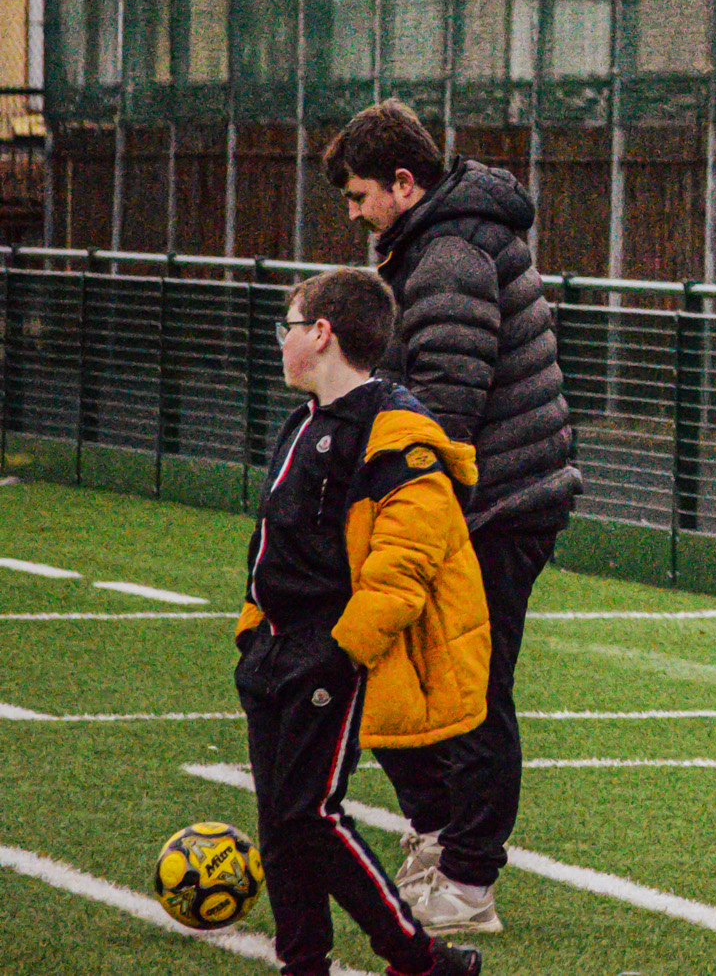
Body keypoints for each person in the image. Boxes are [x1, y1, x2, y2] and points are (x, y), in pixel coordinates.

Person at [322, 100, 578, 932]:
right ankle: (438, 838)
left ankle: (468, 879)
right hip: (476, 498)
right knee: (400, 678)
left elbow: (449, 402)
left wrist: (388, 498)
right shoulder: (432, 242)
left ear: (404, 181)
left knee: (471, 692)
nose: (354, 215)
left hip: (497, 504)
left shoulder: (450, 253)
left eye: (361, 196)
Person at [233, 266, 487, 976]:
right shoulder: (303, 420)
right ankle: (303, 960)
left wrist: (341, 650)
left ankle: (418, 956)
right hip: (273, 652)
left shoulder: (396, 435)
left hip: (326, 653)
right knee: (280, 824)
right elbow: (276, 538)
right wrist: (253, 627)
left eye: (286, 326)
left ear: (320, 333)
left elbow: (403, 566)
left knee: (309, 814)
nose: (280, 342)